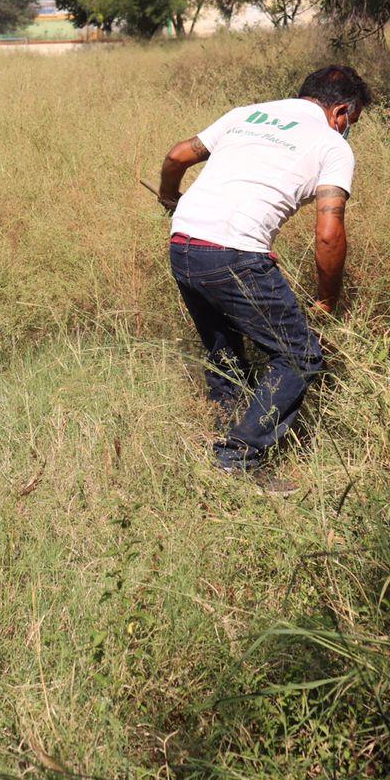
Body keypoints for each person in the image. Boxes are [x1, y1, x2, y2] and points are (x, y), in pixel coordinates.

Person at [156, 65, 371, 489]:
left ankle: (217, 428)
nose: (349, 130)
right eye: (352, 122)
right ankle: (237, 458)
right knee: (299, 355)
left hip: (182, 244)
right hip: (234, 253)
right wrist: (327, 300)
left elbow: (179, 154)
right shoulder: (332, 145)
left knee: (224, 350)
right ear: (342, 111)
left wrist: (168, 198)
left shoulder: (246, 114)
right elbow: (329, 233)